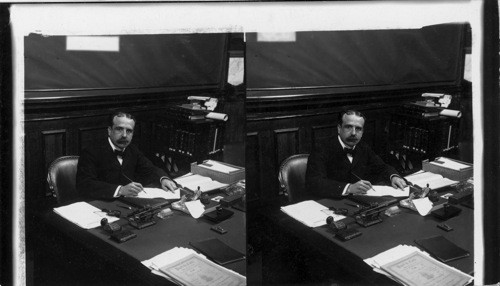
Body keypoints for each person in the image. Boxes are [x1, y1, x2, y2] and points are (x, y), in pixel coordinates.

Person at [305, 110, 407, 198]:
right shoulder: (321, 149)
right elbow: (315, 182)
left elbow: (381, 167)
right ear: (339, 128)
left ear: (362, 132)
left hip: (356, 201)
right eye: (348, 127)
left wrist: (393, 176)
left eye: (358, 129)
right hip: (328, 204)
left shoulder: (363, 147)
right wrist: (348, 188)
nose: (353, 133)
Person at [76, 111, 176, 199]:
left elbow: (150, 168)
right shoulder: (91, 152)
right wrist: (120, 190)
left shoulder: (132, 149)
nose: (124, 135)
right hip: (98, 206)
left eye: (129, 131)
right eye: (119, 129)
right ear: (109, 130)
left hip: (125, 204)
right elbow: (85, 185)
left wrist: (163, 179)